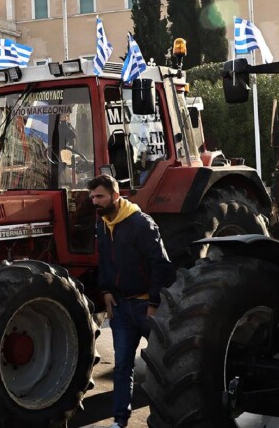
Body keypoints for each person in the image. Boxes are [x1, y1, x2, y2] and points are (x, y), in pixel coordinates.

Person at [89, 174, 174, 428]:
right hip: (121, 309)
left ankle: (168, 417)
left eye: (100, 196)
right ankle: (120, 421)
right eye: (92, 197)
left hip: (147, 308)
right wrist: (105, 291)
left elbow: (161, 265)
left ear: (115, 196)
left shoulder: (141, 224)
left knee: (164, 367)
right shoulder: (103, 225)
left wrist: (155, 303)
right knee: (122, 368)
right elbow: (104, 261)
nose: (95, 202)